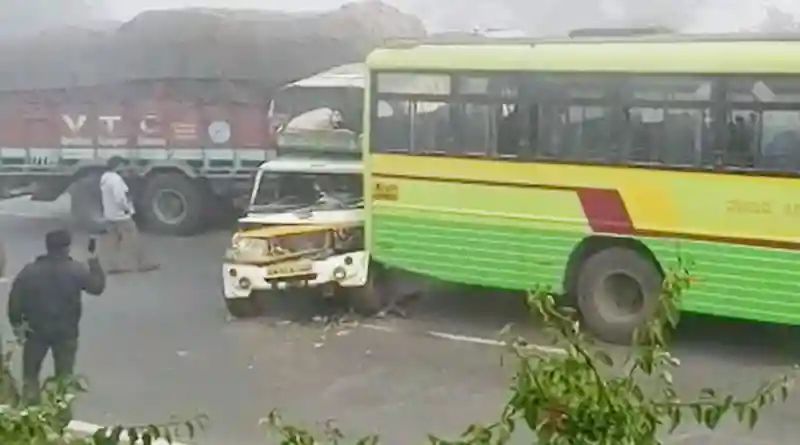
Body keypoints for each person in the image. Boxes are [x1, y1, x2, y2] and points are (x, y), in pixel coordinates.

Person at [7, 229, 105, 404]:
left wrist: (17, 326)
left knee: (31, 375)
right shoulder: (76, 270)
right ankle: (61, 410)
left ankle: (31, 410)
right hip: (66, 332)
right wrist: (94, 261)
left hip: (35, 331)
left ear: (47, 247)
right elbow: (97, 287)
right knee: (64, 376)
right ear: (67, 247)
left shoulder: (30, 271)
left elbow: (15, 301)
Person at [100, 157, 158, 274]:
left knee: (113, 240)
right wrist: (127, 209)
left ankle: (110, 265)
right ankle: (142, 263)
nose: (125, 168)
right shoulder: (116, 180)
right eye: (123, 165)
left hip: (109, 214)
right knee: (133, 239)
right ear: (118, 166)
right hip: (121, 216)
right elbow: (120, 198)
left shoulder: (105, 178)